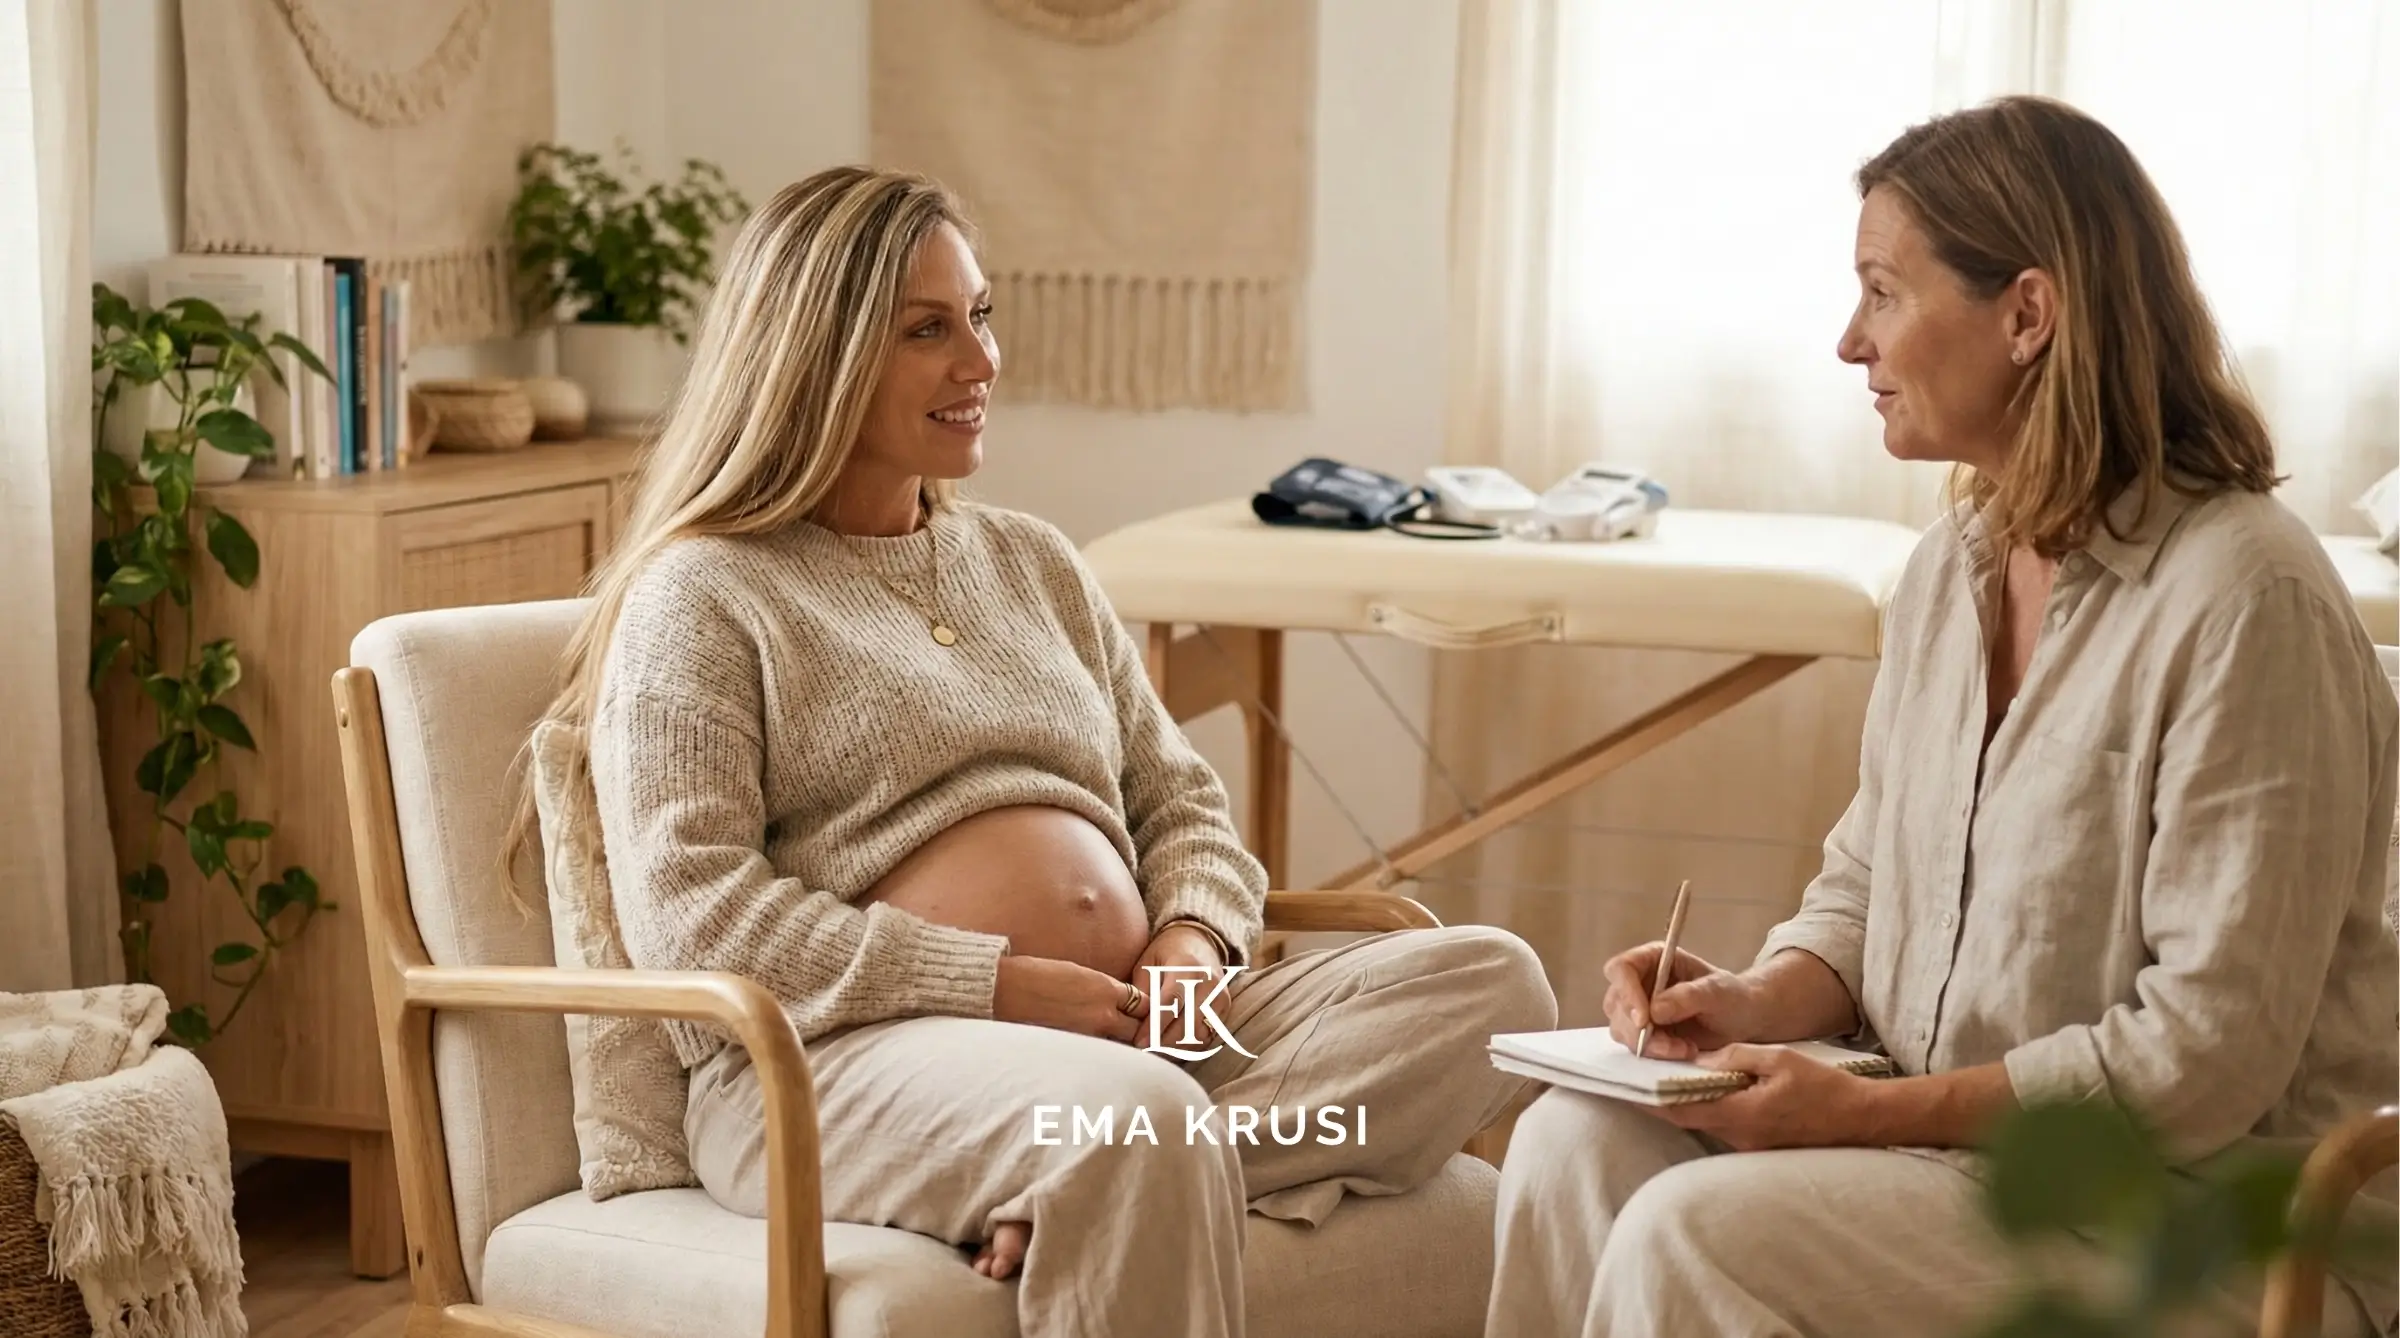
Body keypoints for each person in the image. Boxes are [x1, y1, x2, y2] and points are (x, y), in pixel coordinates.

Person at [503, 165, 1556, 1338]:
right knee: (1127, 1126)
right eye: (928, 329)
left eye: (982, 316)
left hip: (1142, 1042)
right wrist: (991, 984)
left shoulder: (1034, 563)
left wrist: (1194, 942)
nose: (982, 360)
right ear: (816, 354)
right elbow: (694, 917)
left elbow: (1183, 807)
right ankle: (1108, 1161)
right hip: (833, 1067)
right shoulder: (704, 593)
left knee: (1496, 985)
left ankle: (1094, 1180)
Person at [1488, 95, 2398, 1337]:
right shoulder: (1953, 566)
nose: (1848, 343)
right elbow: (1870, 883)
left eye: (1882, 292)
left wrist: (1860, 1113)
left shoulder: (2249, 598)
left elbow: (2206, 1059)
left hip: (2192, 1226)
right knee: (1570, 1143)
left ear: (2027, 314)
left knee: (1692, 1232)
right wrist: (1759, 999)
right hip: (1952, 1166)